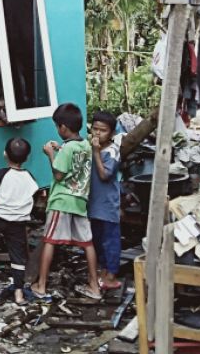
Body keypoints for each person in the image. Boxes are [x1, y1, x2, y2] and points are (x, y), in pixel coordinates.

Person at [31, 103, 102, 300]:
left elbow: (59, 174)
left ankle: (41, 285)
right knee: (87, 243)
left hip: (62, 200)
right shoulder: (85, 145)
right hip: (80, 200)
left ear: (63, 127)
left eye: (57, 127)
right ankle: (94, 286)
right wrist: (60, 149)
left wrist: (51, 154)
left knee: (50, 240)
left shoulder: (66, 150)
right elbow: (75, 160)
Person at [0, 137, 40, 304]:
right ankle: (19, 294)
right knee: (18, 259)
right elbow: (35, 194)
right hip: (17, 224)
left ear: (5, 154)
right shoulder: (29, 177)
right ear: (26, 158)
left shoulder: (1, 174)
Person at [87, 110, 123, 291]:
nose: (98, 133)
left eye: (103, 130)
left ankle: (111, 274)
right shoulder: (91, 147)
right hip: (93, 203)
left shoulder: (112, 151)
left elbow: (104, 175)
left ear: (112, 133)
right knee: (96, 239)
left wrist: (95, 152)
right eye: (95, 129)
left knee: (111, 240)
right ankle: (102, 271)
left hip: (108, 204)